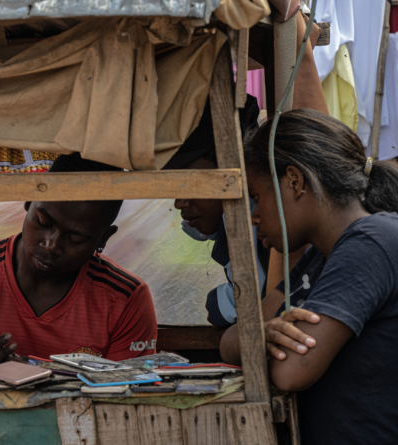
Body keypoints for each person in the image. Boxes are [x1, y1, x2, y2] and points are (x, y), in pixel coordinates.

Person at [220, 109, 398, 444]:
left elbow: (291, 372)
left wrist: (256, 339)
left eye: (256, 197)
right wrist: (261, 335)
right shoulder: (321, 254)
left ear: (294, 181)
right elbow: (230, 341)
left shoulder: (370, 243)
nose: (254, 216)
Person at [0, 153, 157, 363]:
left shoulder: (125, 299)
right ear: (29, 202)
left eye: (76, 238)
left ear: (103, 238)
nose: (52, 246)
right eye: (44, 222)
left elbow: (125, 381)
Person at [165, 95, 270, 328]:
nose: (179, 203)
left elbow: (242, 305)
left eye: (191, 185)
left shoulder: (254, 222)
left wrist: (216, 304)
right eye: (174, 186)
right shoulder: (229, 223)